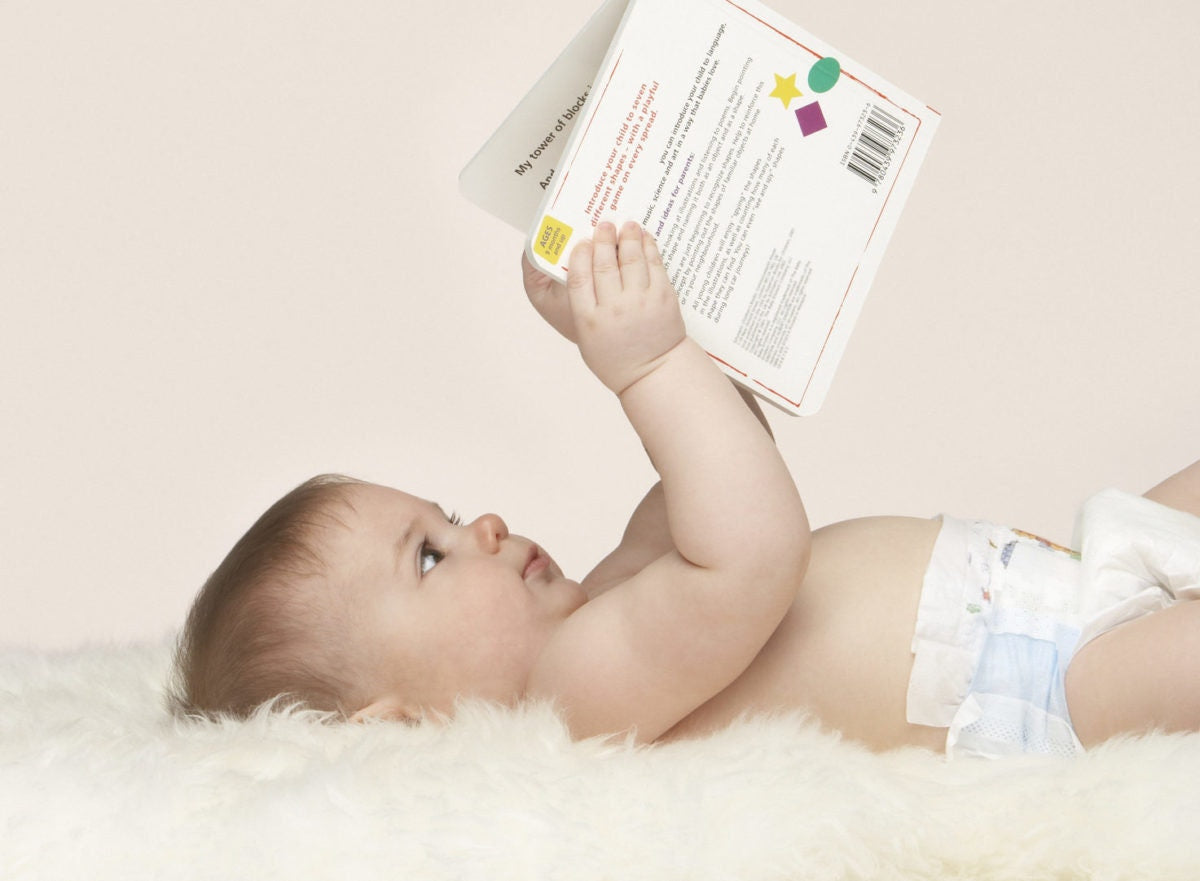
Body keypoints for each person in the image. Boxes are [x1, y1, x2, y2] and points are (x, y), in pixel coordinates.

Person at [171, 220, 1200, 759]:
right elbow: (753, 552)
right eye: (431, 554)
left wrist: (618, 328)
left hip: (1056, 584)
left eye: (447, 512)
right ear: (397, 725)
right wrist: (647, 365)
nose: (480, 522)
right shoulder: (571, 701)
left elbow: (712, 468)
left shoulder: (613, 600)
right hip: (1044, 685)